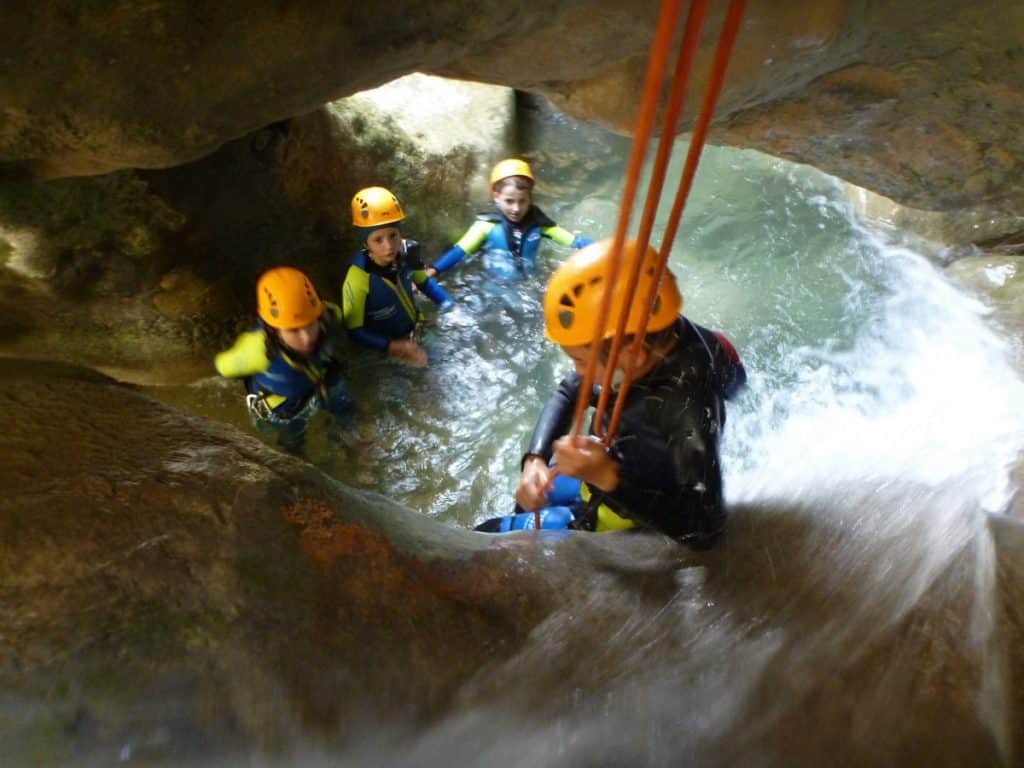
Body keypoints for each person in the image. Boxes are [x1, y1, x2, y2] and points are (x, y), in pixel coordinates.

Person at [475, 238, 747, 546]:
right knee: (526, 502)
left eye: (579, 361)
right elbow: (569, 391)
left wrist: (608, 477)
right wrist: (535, 459)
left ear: (633, 357)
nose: (577, 372)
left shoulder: (684, 411)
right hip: (603, 469)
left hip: (622, 506)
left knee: (493, 534)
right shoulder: (646, 335)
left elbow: (705, 529)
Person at [215, 266, 351, 453]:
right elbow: (222, 367)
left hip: (324, 383)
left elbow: (339, 318)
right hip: (285, 411)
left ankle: (353, 445)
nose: (306, 338)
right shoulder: (256, 350)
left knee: (348, 414)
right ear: (272, 329)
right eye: (293, 330)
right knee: (292, 445)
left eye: (311, 324)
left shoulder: (327, 316)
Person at [427, 158, 593, 281]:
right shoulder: (485, 226)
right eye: (509, 201)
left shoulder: (538, 225)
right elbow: (459, 252)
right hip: (496, 288)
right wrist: (432, 271)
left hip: (529, 283)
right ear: (496, 196)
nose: (516, 209)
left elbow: (574, 241)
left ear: (530, 198)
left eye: (523, 201)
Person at [343, 186, 454, 367]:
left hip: (416, 330)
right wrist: (394, 347)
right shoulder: (358, 277)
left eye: (393, 235)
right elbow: (355, 331)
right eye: (378, 240)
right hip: (383, 348)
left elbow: (425, 284)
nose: (389, 246)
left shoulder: (407, 253)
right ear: (365, 243)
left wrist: (449, 305)